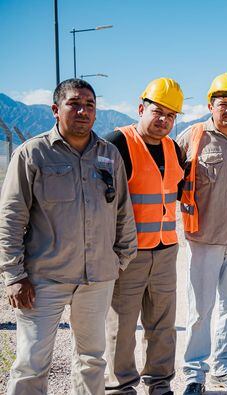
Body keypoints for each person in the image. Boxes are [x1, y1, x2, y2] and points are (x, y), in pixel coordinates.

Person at [0, 78, 137, 394]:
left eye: (90, 105)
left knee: (91, 359)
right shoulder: (32, 154)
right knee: (31, 362)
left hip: (97, 279)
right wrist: (14, 276)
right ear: (55, 109)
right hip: (44, 279)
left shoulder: (109, 155)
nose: (83, 111)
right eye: (74, 103)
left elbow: (122, 213)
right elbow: (11, 218)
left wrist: (119, 261)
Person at [177, 73, 227, 395]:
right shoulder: (192, 137)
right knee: (200, 309)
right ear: (210, 105)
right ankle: (194, 374)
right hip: (204, 240)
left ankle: (223, 369)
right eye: (223, 104)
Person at [104, 78, 186, 395]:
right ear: (141, 108)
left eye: (171, 114)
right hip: (128, 253)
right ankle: (120, 386)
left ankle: (160, 382)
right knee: (122, 325)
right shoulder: (118, 143)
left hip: (166, 250)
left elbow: (176, 193)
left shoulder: (173, 148)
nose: (163, 119)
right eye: (157, 111)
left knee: (163, 324)